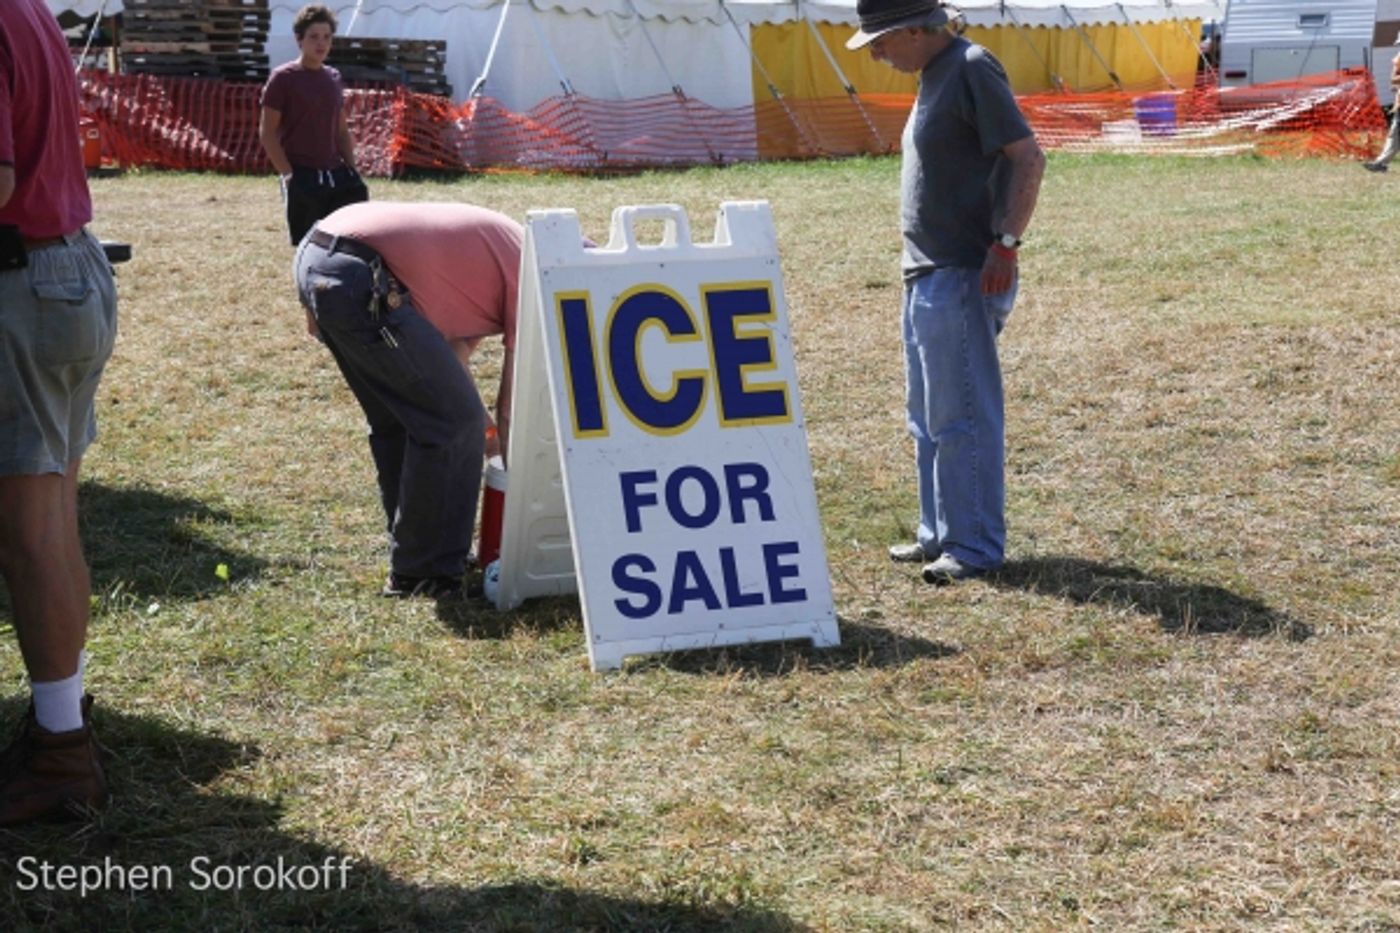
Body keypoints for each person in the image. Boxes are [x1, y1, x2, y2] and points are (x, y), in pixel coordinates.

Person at [848, 0, 1045, 584]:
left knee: (961, 414)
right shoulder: (935, 74)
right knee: (928, 415)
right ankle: (938, 534)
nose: (877, 53)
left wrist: (1005, 243)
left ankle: (976, 544)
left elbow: (1027, 157)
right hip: (925, 273)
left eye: (882, 40)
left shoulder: (972, 66)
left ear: (916, 30)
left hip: (961, 269)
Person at [0, 0, 119, 824]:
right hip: (64, 268)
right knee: (54, 521)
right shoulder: (27, 7)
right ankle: (61, 720)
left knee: (32, 532)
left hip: (23, 279)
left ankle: (62, 756)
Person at [294, 202, 522, 598]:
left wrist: (488, 435)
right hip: (361, 276)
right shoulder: (532, 272)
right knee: (451, 425)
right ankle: (424, 571)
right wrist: (509, 459)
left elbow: (450, 360)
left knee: (405, 417)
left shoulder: (505, 252)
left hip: (319, 255)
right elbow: (510, 404)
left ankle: (420, 551)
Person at [259, 3, 367, 245]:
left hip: (335, 173)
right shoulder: (282, 78)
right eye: (314, 37)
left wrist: (352, 169)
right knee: (309, 244)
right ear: (299, 39)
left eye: (327, 37)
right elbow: (267, 133)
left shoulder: (333, 77)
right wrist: (287, 174)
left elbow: (341, 131)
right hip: (302, 174)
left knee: (350, 238)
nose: (321, 43)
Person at [1364, 36, 1400, 172]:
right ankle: (1380, 163)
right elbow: (1393, 79)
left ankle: (1380, 163)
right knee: (1394, 133)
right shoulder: (1399, 58)